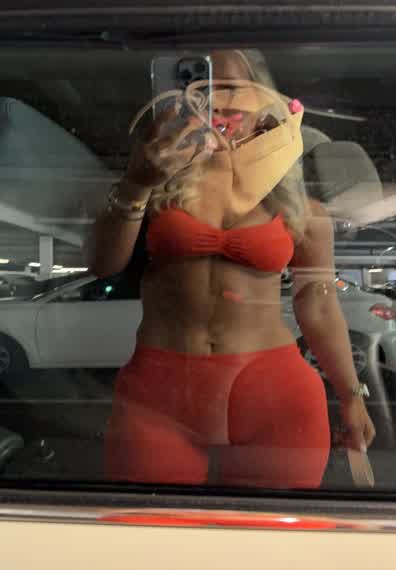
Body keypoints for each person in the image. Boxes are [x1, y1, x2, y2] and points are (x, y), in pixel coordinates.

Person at [90, 49, 375, 488]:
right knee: (147, 525)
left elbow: (318, 305)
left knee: (278, 530)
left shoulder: (300, 208)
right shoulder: (153, 186)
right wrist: (136, 183)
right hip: (159, 391)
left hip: (276, 391)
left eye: (229, 87)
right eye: (198, 89)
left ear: (264, 100)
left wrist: (352, 396)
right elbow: (103, 265)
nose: (217, 102)